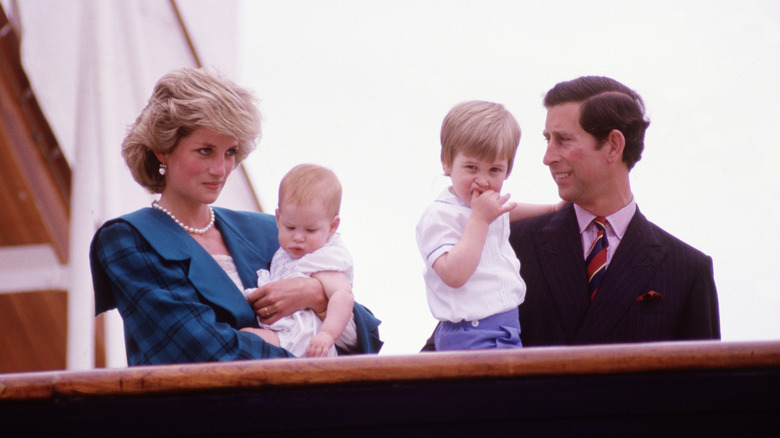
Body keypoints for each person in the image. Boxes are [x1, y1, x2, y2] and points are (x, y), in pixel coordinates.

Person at [90, 67, 381, 365]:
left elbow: (366, 340)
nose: (221, 169)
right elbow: (204, 352)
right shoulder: (129, 239)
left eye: (229, 152)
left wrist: (316, 296)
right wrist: (303, 353)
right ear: (162, 150)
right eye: (205, 151)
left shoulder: (271, 230)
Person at [509, 75, 720, 346]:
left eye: (563, 140)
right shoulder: (510, 244)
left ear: (613, 146)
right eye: (548, 139)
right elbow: (455, 346)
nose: (547, 157)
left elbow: (708, 386)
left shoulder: (687, 270)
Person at [416, 100, 560, 351]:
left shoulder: (482, 208)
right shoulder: (439, 216)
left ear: (507, 171)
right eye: (471, 167)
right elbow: (454, 274)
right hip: (471, 334)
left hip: (505, 326)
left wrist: (551, 209)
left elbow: (508, 211)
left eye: (494, 169)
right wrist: (480, 220)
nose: (482, 180)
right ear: (447, 163)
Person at [243, 164, 355, 358]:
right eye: (290, 227)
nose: (298, 237)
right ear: (278, 218)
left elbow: (342, 295)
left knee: (246, 339)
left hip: (307, 336)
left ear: (332, 226)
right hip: (286, 327)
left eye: (310, 230)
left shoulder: (324, 257)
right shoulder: (287, 252)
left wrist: (327, 335)